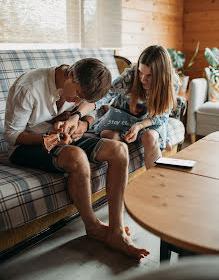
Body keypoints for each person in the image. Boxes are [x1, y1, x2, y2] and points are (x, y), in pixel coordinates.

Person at [4, 58, 149, 260]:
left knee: (119, 150)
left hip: (62, 138)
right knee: (77, 156)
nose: (77, 101)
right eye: (77, 95)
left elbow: (93, 106)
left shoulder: (81, 81)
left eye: (82, 98)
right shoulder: (29, 87)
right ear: (71, 75)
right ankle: (93, 226)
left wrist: (80, 122)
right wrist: (49, 139)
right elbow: (11, 136)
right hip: (26, 145)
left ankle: (117, 231)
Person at [91, 45, 180, 169]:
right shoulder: (130, 76)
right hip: (119, 117)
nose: (143, 79)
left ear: (162, 75)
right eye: (140, 72)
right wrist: (84, 108)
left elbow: (161, 116)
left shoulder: (172, 83)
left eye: (149, 75)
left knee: (149, 137)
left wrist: (140, 125)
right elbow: (107, 93)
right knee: (111, 137)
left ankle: (155, 184)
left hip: (148, 120)